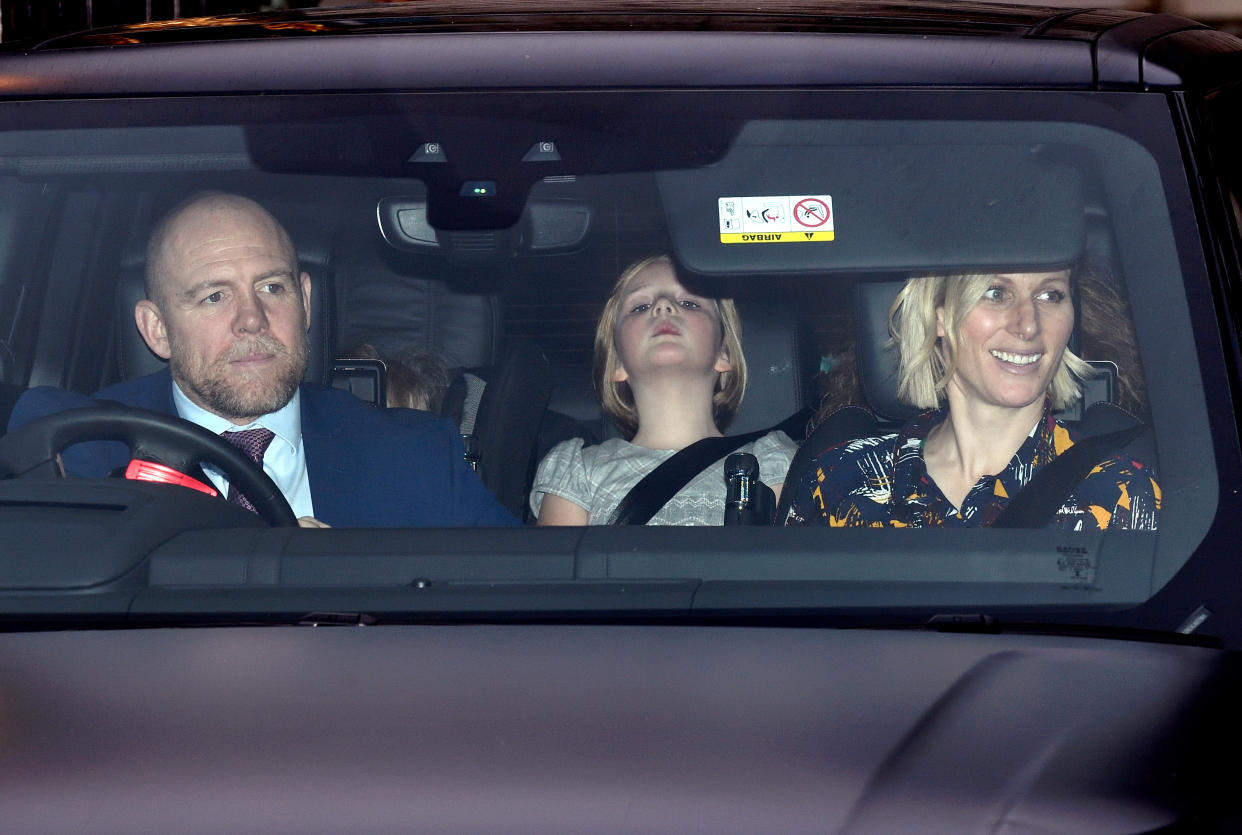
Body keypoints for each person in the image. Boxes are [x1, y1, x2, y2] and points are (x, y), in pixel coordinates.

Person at [8, 191, 517, 528]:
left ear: (306, 304)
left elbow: (510, 615)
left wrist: (363, 585)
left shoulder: (418, 457)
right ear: (156, 330)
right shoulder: (71, 446)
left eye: (272, 288)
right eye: (214, 297)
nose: (252, 319)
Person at [786, 268, 1160, 530]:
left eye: (1051, 294)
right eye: (996, 293)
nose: (1028, 324)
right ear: (940, 315)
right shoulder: (838, 479)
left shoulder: (1119, 491)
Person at [531, 254, 796, 526]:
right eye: (640, 306)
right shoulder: (579, 473)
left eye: (689, 303)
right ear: (617, 363)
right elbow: (558, 569)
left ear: (724, 353)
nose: (663, 306)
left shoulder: (768, 463)